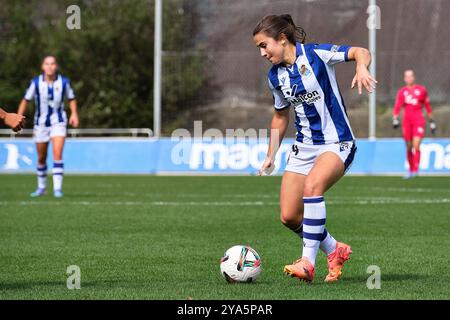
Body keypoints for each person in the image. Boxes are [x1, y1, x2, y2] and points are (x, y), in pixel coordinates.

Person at [253, 14, 376, 283]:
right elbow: (280, 115)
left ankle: (307, 262)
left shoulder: (316, 54)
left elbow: (361, 51)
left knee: (312, 187)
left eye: (264, 45)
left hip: (337, 142)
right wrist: (270, 154)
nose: (262, 53)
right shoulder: (275, 77)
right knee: (289, 216)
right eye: (259, 48)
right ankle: (334, 249)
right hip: (304, 146)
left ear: (282, 38)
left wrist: (362, 67)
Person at [17, 55, 79, 198]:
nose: (50, 66)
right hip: (41, 124)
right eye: (47, 63)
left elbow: (72, 98)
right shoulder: (36, 83)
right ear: (42, 66)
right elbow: (25, 100)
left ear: (56, 66)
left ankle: (57, 189)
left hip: (59, 122)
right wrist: (18, 117)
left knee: (57, 154)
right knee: (41, 157)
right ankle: (42, 188)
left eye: (52, 64)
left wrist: (74, 114)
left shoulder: (64, 82)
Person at [392, 69, 435, 178]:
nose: (409, 78)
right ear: (404, 78)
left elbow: (428, 106)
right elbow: (397, 107)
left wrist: (432, 122)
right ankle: (410, 170)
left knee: (416, 145)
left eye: (410, 76)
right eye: (406, 76)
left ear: (414, 77)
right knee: (409, 146)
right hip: (407, 121)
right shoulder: (402, 92)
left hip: (418, 120)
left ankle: (416, 170)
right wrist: (395, 118)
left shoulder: (421, 90)